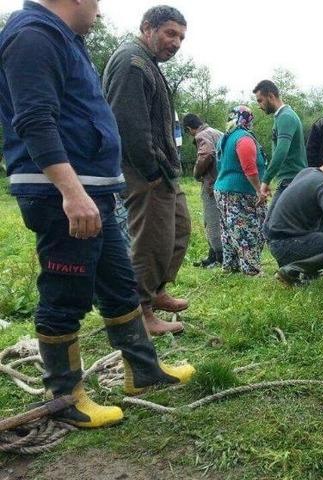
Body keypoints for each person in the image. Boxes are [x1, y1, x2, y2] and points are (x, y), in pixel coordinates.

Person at [0, 0, 194, 428]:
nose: (100, 12)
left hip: (94, 191)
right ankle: (64, 397)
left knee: (119, 285)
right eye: (97, 2)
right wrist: (70, 190)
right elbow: (34, 119)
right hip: (63, 194)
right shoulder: (33, 35)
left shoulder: (64, 39)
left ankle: (142, 371)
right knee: (65, 293)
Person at [102, 5, 189, 335]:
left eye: (181, 37)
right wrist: (152, 172)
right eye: (170, 33)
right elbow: (129, 125)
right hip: (143, 170)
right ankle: (141, 310)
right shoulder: (132, 62)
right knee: (151, 239)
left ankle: (156, 290)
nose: (177, 42)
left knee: (178, 229)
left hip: (161, 169)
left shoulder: (147, 62)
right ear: (147, 28)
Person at [266, 149, 323, 286]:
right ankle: (292, 269)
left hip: (275, 241)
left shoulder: (307, 172)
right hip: (287, 245)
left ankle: (307, 270)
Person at [214, 106, 268, 276]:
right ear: (248, 119)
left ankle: (230, 266)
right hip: (240, 191)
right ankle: (251, 269)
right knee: (248, 229)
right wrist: (259, 190)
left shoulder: (226, 136)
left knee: (229, 230)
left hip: (223, 190)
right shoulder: (243, 138)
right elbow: (249, 169)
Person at [253, 80, 307, 212]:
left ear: (271, 96)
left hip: (291, 180)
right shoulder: (281, 117)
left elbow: (281, 152)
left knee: (271, 225)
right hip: (290, 180)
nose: (259, 105)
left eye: (260, 100)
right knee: (288, 225)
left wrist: (265, 180)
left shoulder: (286, 117)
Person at [183, 113, 224, 268]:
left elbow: (206, 154)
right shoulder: (217, 132)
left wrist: (196, 173)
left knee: (212, 220)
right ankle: (212, 255)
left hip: (212, 185)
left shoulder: (202, 135)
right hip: (223, 182)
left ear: (189, 129)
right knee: (221, 220)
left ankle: (219, 258)